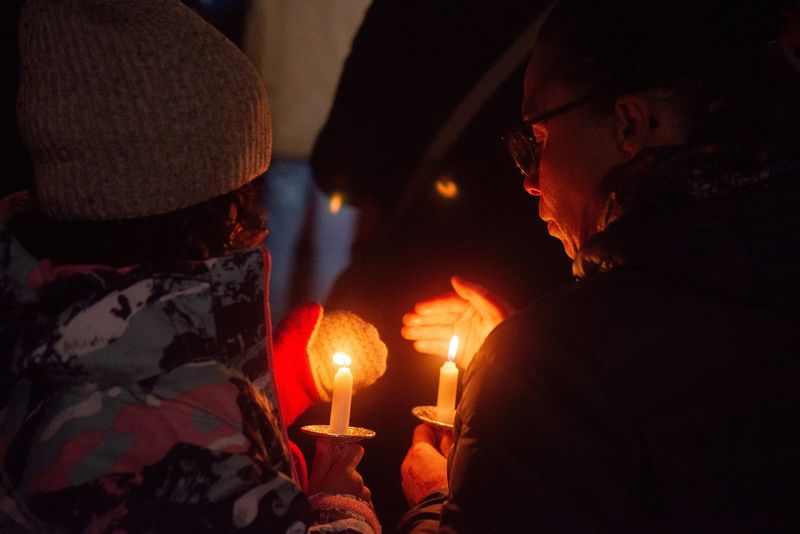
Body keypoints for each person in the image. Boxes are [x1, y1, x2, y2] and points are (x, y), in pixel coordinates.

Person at [399, 0, 800, 531]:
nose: (531, 180)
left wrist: (438, 499)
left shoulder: (554, 369)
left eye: (538, 138)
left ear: (628, 124)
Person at [0, 0, 382, 532]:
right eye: (243, 194)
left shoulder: (58, 314)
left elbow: (169, 376)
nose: (257, 222)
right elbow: (185, 433)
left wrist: (293, 371)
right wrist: (341, 509)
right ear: (192, 206)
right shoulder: (148, 438)